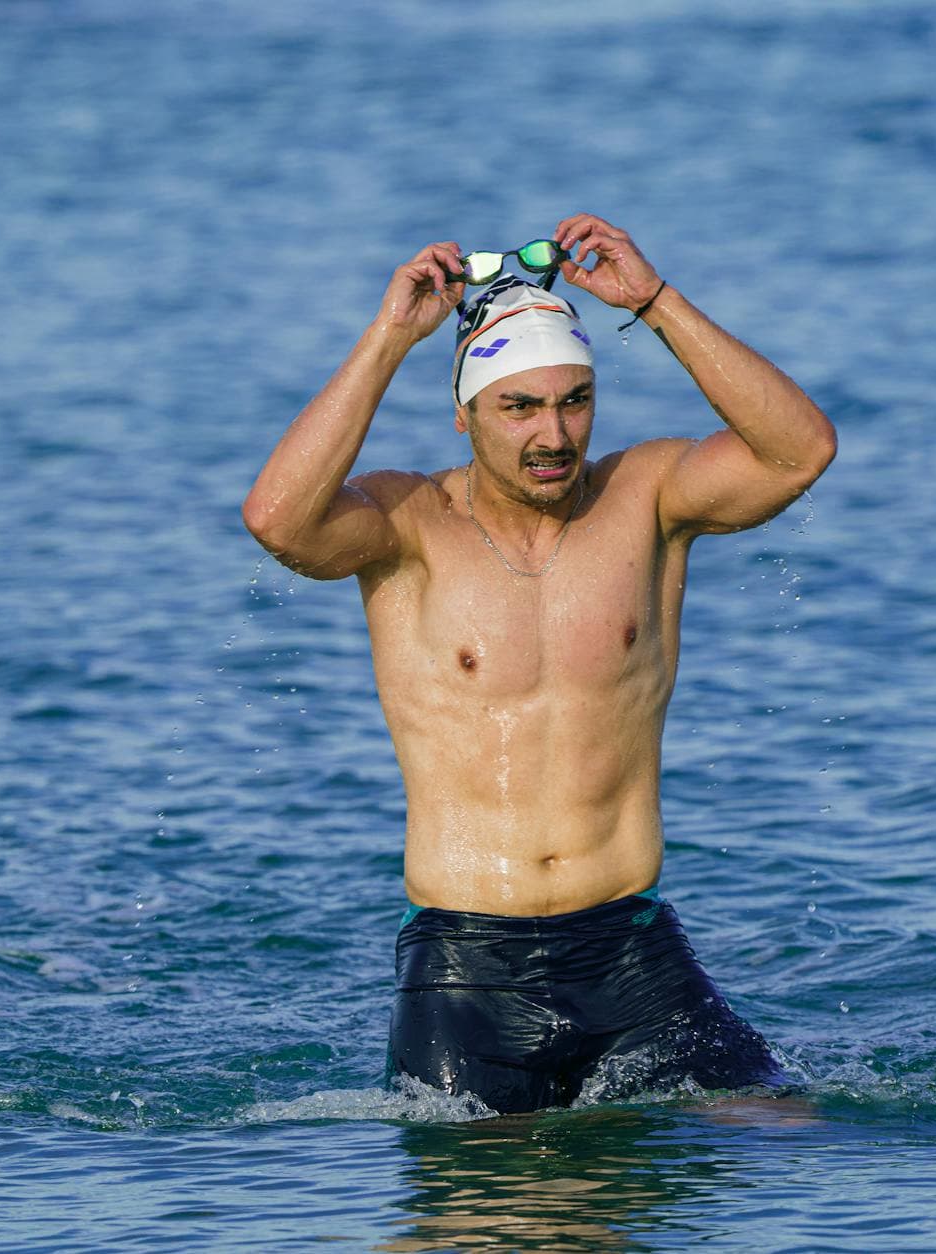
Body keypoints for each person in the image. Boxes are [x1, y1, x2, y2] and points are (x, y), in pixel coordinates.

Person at [241, 213, 836, 1114]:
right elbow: (278, 521)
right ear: (466, 412)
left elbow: (802, 450)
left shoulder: (649, 496)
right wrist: (389, 339)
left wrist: (656, 302)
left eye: (575, 400)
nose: (553, 435)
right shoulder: (408, 525)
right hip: (465, 968)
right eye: (520, 407)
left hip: (630, 948)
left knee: (789, 1132)